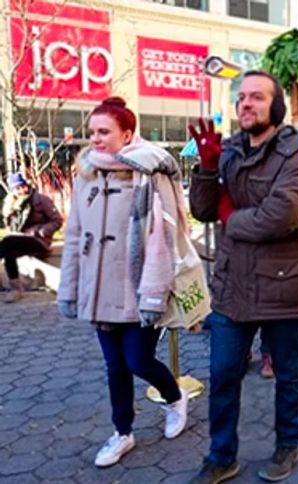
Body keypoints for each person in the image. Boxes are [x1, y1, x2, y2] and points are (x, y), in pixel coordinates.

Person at [188, 71, 298, 483]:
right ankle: (221, 455)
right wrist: (208, 169)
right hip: (233, 284)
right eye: (242, 97)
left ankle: (287, 445)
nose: (246, 104)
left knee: (287, 371)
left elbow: (279, 217)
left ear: (276, 106)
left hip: (284, 282)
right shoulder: (229, 151)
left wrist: (231, 215)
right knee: (224, 372)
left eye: (257, 97)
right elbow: (203, 211)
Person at [57, 97, 189, 467]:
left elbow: (162, 238)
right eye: (91, 132)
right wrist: (69, 291)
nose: (95, 139)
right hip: (98, 292)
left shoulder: (149, 173)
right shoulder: (85, 175)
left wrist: (153, 295)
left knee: (138, 361)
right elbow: (74, 235)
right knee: (114, 367)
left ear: (127, 134)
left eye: (104, 132)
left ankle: (175, 397)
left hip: (137, 289)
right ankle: (122, 433)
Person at [1, 172, 62, 302]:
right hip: (19, 239)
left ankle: (16, 289)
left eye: (22, 186)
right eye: (17, 188)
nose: (21, 190)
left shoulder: (40, 200)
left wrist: (40, 231)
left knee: (6, 242)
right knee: (8, 252)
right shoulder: (11, 205)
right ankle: (16, 289)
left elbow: (57, 221)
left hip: (38, 240)